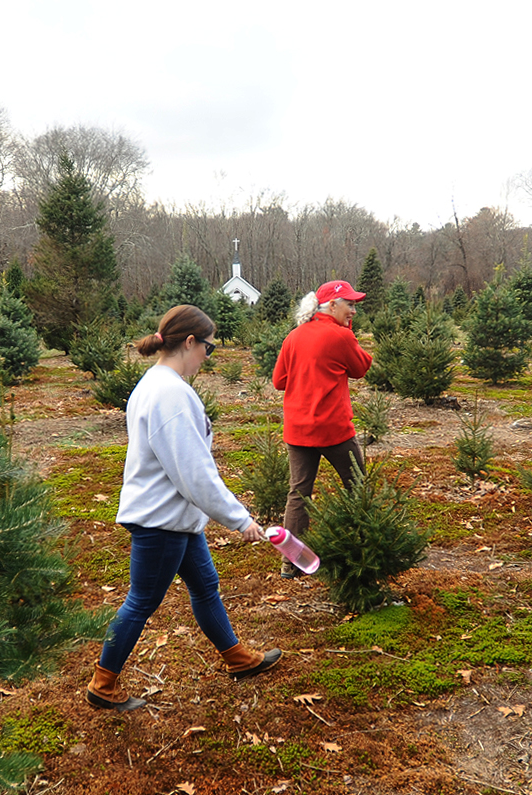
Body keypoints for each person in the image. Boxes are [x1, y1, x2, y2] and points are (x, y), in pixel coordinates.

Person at [88, 305, 282, 712]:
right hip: (161, 521)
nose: (207, 359)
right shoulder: (171, 394)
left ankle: (236, 658)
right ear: (190, 342)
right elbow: (194, 474)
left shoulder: (156, 383)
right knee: (141, 601)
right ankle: (103, 684)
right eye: (208, 349)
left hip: (177, 519)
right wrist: (239, 519)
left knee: (205, 585)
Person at [271, 279, 373, 577]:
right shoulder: (339, 337)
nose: (353, 310)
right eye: (350, 304)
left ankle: (291, 563)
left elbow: (279, 382)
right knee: (357, 485)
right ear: (331, 305)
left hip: (298, 430)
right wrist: (346, 334)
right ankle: (366, 547)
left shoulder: (294, 337)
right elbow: (361, 369)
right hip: (333, 430)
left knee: (298, 493)